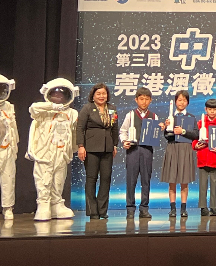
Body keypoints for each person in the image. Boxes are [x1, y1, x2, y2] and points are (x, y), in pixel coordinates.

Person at [26, 78, 79, 221]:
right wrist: (51, 107)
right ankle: (43, 204)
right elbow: (33, 108)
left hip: (62, 151)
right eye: (55, 94)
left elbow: (75, 132)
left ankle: (56, 204)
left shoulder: (72, 113)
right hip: (45, 150)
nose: (58, 97)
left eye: (61, 95)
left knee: (59, 179)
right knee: (44, 177)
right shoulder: (43, 111)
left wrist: (74, 148)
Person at [76, 83, 119, 220]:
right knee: (91, 179)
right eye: (98, 94)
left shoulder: (112, 109)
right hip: (91, 148)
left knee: (106, 179)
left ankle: (102, 210)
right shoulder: (87, 108)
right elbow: (80, 128)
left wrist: (115, 145)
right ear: (93, 95)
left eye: (104, 93)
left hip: (107, 148)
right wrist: (81, 146)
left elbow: (114, 128)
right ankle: (92, 210)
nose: (101, 96)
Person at [119, 87, 158, 219]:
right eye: (141, 99)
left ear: (150, 100)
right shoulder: (130, 115)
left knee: (146, 180)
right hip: (133, 150)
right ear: (136, 100)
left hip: (147, 150)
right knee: (131, 180)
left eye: (147, 99)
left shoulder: (154, 116)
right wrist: (124, 141)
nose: (144, 102)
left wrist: (161, 128)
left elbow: (156, 134)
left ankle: (144, 208)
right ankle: (130, 209)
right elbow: (123, 131)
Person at [159, 90, 198, 218]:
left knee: (184, 180)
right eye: (179, 100)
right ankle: (172, 208)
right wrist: (166, 128)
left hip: (185, 149)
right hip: (172, 148)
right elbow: (167, 137)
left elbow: (196, 135)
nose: (181, 102)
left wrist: (183, 131)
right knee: (172, 180)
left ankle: (183, 208)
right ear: (175, 101)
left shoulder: (191, 118)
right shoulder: (171, 117)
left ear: (188, 102)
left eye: (184, 100)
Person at [193, 98, 216, 216]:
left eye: (214, 109)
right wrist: (195, 145)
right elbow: (194, 138)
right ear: (206, 109)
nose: (212, 111)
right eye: (210, 109)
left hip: (215, 158)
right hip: (203, 158)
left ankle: (214, 207)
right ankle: (203, 207)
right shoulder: (200, 123)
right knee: (203, 185)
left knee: (214, 184)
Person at [0, 74, 18, 220]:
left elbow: (13, 129)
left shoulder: (9, 107)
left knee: (8, 179)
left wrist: (15, 146)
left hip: (6, 148)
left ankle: (7, 207)